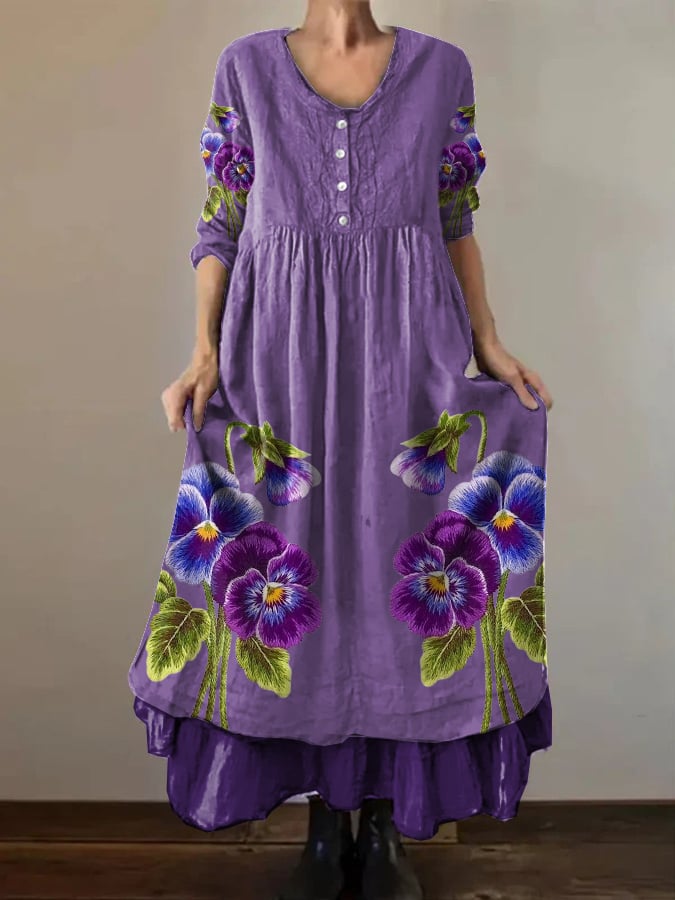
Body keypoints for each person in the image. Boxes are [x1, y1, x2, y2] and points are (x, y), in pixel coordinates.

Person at [128, 4, 554, 899]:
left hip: (410, 352)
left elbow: (454, 218)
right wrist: (203, 354)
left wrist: (487, 343)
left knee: (406, 578)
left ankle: (382, 822)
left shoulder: (441, 68)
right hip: (278, 354)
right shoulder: (245, 67)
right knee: (296, 580)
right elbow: (221, 222)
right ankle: (325, 820)